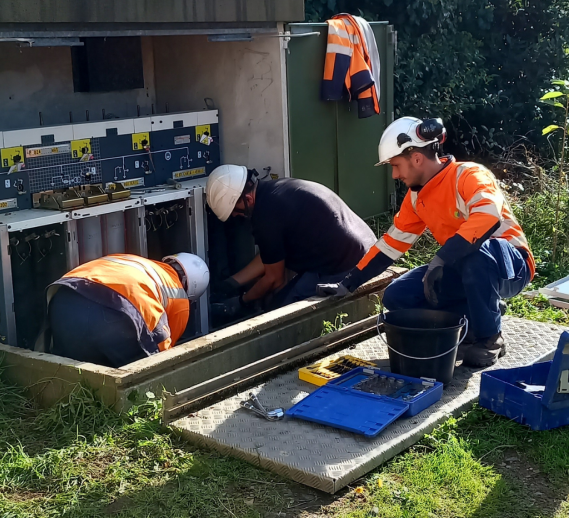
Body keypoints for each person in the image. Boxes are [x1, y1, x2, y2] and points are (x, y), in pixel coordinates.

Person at [317, 116, 534, 368]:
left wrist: (441, 259)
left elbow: (487, 218)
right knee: (399, 296)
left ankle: (490, 339)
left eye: (396, 165)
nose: (395, 174)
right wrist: (347, 283)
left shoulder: (469, 175)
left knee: (474, 256)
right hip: (462, 265)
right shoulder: (416, 197)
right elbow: (391, 245)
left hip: (510, 266)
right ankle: (473, 324)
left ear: (417, 159)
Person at [206, 165, 377, 317]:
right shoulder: (276, 191)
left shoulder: (265, 217)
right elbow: (270, 256)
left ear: (247, 200)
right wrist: (231, 283)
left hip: (347, 267)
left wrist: (241, 302)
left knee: (279, 315)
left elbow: (275, 279)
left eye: (236, 212)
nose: (237, 216)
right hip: (366, 249)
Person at [47, 252, 209, 368]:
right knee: (140, 381)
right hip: (114, 315)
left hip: (63, 300)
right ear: (192, 291)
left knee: (71, 375)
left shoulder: (138, 262)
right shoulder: (180, 297)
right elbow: (164, 350)